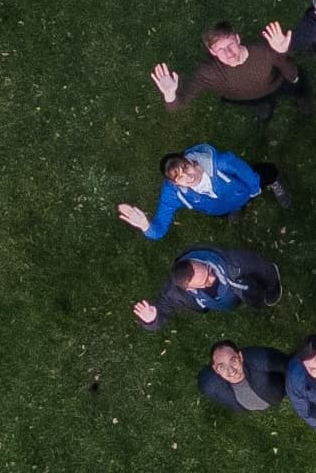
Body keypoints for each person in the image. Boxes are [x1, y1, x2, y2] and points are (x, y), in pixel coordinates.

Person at [116, 144, 289, 240]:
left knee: (265, 174)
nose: (188, 177)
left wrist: (254, 190)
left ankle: (274, 181)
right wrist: (146, 226)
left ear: (191, 162)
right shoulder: (173, 194)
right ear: (174, 183)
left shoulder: (222, 163)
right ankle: (236, 209)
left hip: (242, 190)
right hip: (219, 208)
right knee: (226, 210)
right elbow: (159, 230)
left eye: (186, 168)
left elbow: (247, 175)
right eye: (180, 178)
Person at [150, 20, 311, 120]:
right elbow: (177, 106)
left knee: (298, 88)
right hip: (242, 97)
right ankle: (263, 104)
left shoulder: (263, 50)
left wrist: (284, 53)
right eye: (220, 50)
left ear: (238, 39)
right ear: (212, 52)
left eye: (230, 44)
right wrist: (170, 94)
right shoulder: (208, 73)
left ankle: (302, 97)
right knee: (257, 102)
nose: (229, 53)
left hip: (277, 84)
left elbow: (289, 64)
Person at [131, 245, 282, 331]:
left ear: (196, 261)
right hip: (225, 302)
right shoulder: (175, 291)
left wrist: (272, 289)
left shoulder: (236, 262)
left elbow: (263, 268)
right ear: (189, 289)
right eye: (205, 282)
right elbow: (163, 308)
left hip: (240, 289)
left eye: (208, 271)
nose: (212, 277)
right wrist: (152, 320)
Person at [198, 341, 290, 414]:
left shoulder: (259, 359)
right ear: (215, 369)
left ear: (240, 357)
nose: (231, 370)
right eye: (222, 367)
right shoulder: (209, 385)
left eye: (233, 361)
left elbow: (286, 365)